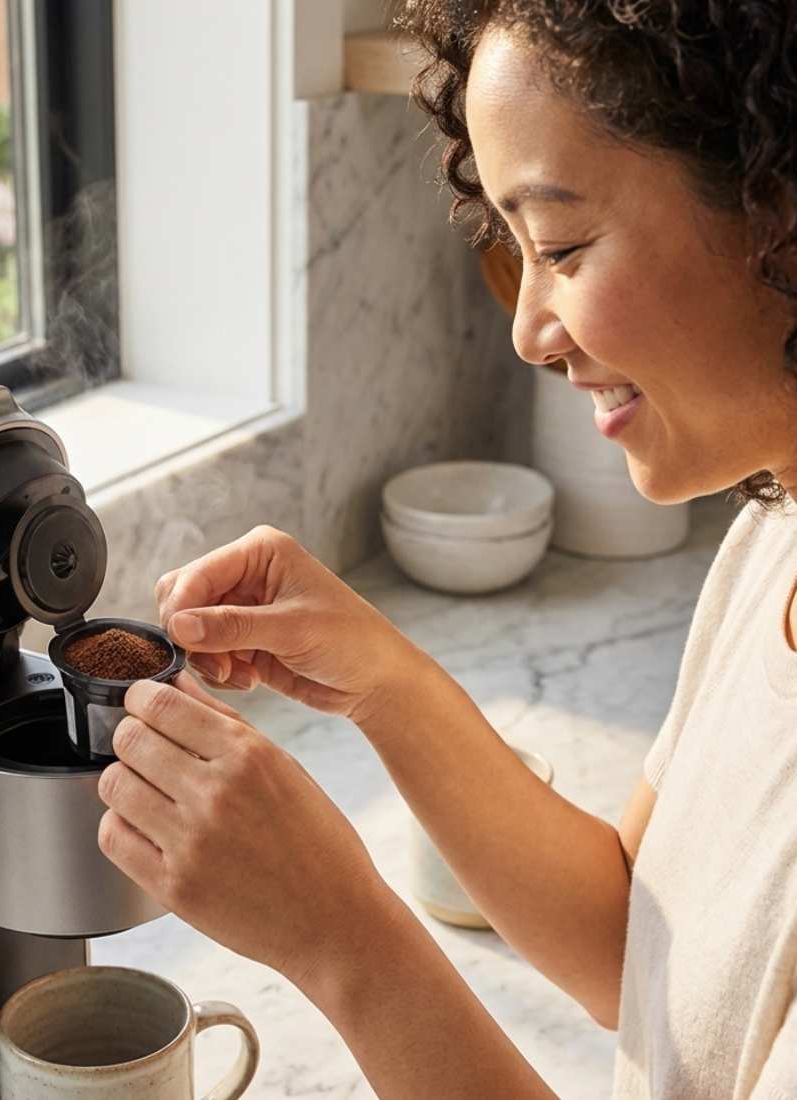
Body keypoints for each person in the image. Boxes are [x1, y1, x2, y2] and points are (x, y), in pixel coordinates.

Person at [94, 0, 797, 1095]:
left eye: (561, 247)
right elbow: (639, 949)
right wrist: (386, 681)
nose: (527, 330)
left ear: (775, 203)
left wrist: (343, 939)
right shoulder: (774, 534)